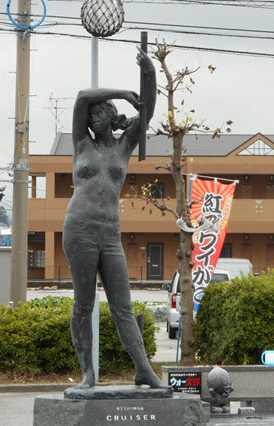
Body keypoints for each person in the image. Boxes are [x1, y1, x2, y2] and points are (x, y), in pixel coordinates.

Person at [63, 48, 168, 391]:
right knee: (84, 303)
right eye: (90, 114)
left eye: (97, 113)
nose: (91, 118)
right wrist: (121, 92)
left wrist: (149, 73)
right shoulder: (82, 144)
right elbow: (81, 98)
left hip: (110, 234)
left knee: (123, 305)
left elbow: (147, 110)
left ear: (108, 116)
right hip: (79, 229)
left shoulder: (124, 147)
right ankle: (87, 374)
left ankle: (143, 369)